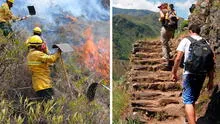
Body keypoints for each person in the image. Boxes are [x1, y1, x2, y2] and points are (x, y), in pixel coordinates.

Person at [171, 24, 215, 124]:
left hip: (189, 73)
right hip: (202, 74)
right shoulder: (205, 42)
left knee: (187, 100)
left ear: (190, 31)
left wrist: (174, 72)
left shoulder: (186, 40)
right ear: (199, 31)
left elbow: (178, 58)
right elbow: (211, 61)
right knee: (192, 99)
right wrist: (211, 80)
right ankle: (190, 119)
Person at [27, 35, 61, 100]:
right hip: (43, 84)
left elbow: (47, 63)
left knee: (45, 103)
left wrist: (44, 50)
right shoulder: (37, 54)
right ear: (37, 46)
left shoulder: (30, 54)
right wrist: (59, 51)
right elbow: (52, 59)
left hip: (39, 84)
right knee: (50, 104)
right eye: (40, 45)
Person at [158, 3, 178, 71]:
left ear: (164, 6)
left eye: (160, 7)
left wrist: (160, 19)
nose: (159, 8)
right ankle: (170, 53)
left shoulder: (163, 11)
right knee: (166, 43)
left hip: (165, 29)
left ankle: (166, 60)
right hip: (172, 30)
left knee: (164, 44)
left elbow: (162, 17)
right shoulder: (173, 11)